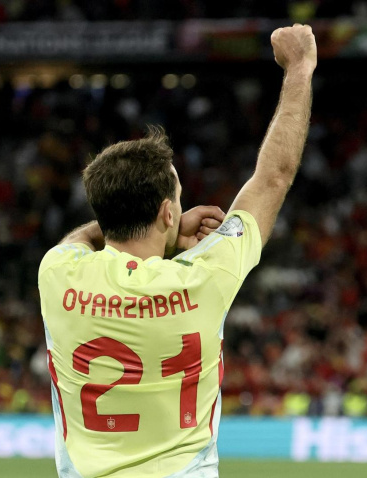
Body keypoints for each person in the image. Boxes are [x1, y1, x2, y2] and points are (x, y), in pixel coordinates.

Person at [38, 24, 317, 477]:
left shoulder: (58, 273)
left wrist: (151, 228)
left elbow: (81, 240)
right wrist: (300, 67)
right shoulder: (204, 275)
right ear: (168, 212)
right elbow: (274, 177)